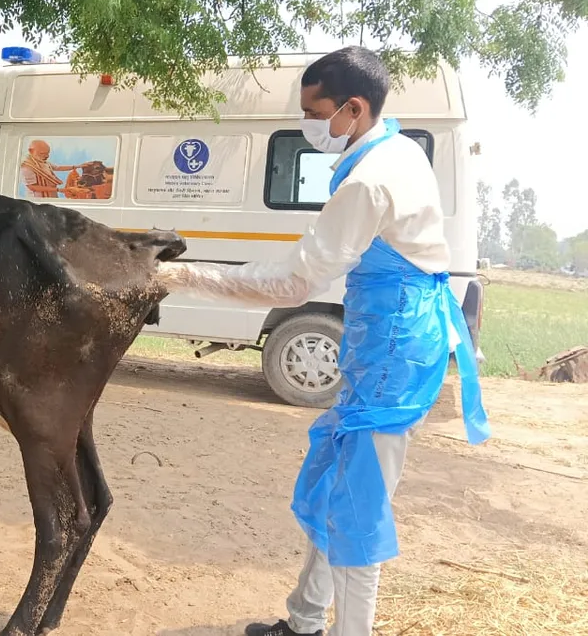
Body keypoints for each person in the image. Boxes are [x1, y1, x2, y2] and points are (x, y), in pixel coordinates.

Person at [157, 47, 491, 636]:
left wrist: (189, 275)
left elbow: (294, 279)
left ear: (353, 109)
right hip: (391, 342)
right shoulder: (399, 148)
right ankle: (305, 618)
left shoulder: (370, 180)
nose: (308, 125)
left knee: (358, 510)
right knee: (339, 486)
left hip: (391, 355)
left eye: (315, 112)